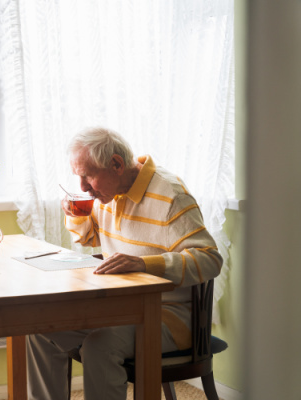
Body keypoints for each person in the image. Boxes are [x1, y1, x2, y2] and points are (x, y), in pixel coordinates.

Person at [27, 127, 223, 399]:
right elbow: (89, 237)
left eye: (88, 175)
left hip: (172, 316)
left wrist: (145, 264)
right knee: (39, 328)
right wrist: (76, 215)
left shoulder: (170, 196)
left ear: (116, 164)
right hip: (121, 308)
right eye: (79, 177)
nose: (82, 186)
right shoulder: (107, 193)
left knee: (100, 345)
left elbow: (210, 259)